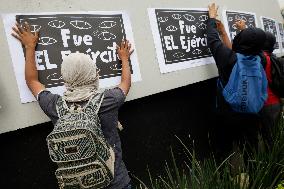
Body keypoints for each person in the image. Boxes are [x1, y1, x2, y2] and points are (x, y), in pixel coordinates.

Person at [12, 22, 133, 189]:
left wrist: (30, 46)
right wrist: (124, 58)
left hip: (80, 184)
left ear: (64, 78)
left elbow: (31, 80)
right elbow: (126, 83)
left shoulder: (54, 105)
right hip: (116, 182)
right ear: (94, 74)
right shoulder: (109, 100)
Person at [207, 3, 267, 174]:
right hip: (251, 116)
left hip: (227, 114)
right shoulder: (260, 60)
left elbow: (212, 39)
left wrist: (211, 18)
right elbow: (249, 47)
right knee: (251, 152)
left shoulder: (227, 58)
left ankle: (225, 179)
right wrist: (238, 30)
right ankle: (256, 179)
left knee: (223, 150)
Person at [259, 31, 282, 147]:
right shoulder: (274, 58)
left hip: (267, 104)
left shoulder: (262, 59)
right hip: (276, 101)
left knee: (270, 139)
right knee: (274, 135)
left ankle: (274, 162)